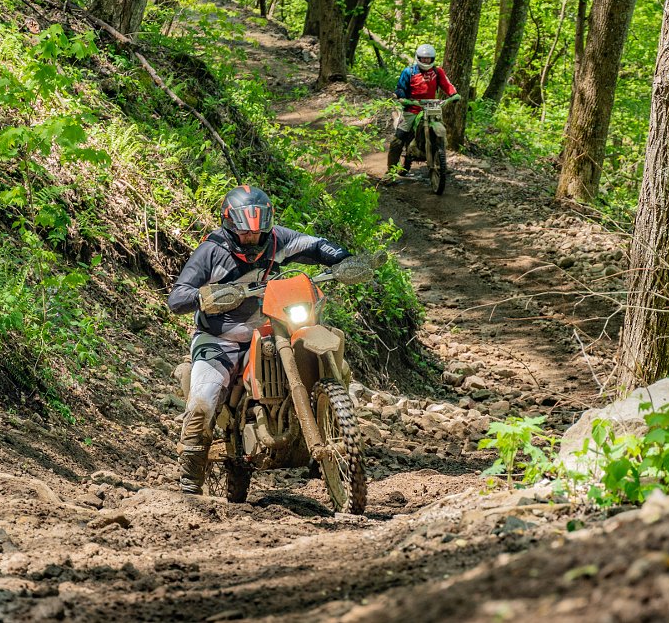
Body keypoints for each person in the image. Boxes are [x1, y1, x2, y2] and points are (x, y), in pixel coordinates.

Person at [167, 185, 351, 495]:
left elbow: (316, 245)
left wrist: (345, 259)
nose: (252, 239)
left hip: (271, 330)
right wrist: (204, 297)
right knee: (201, 402)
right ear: (229, 227)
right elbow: (176, 298)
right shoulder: (210, 251)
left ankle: (330, 431)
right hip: (219, 339)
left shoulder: (278, 240)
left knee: (334, 363)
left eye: (257, 233)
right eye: (245, 234)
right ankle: (190, 485)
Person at [385, 43, 459, 179]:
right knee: (398, 140)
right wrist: (402, 98)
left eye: (428, 58)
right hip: (412, 109)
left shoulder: (437, 71)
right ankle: (390, 172)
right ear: (418, 58)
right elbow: (401, 88)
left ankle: (441, 164)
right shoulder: (409, 71)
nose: (426, 61)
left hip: (432, 108)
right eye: (423, 58)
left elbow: (446, 84)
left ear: (432, 59)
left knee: (441, 133)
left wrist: (453, 94)